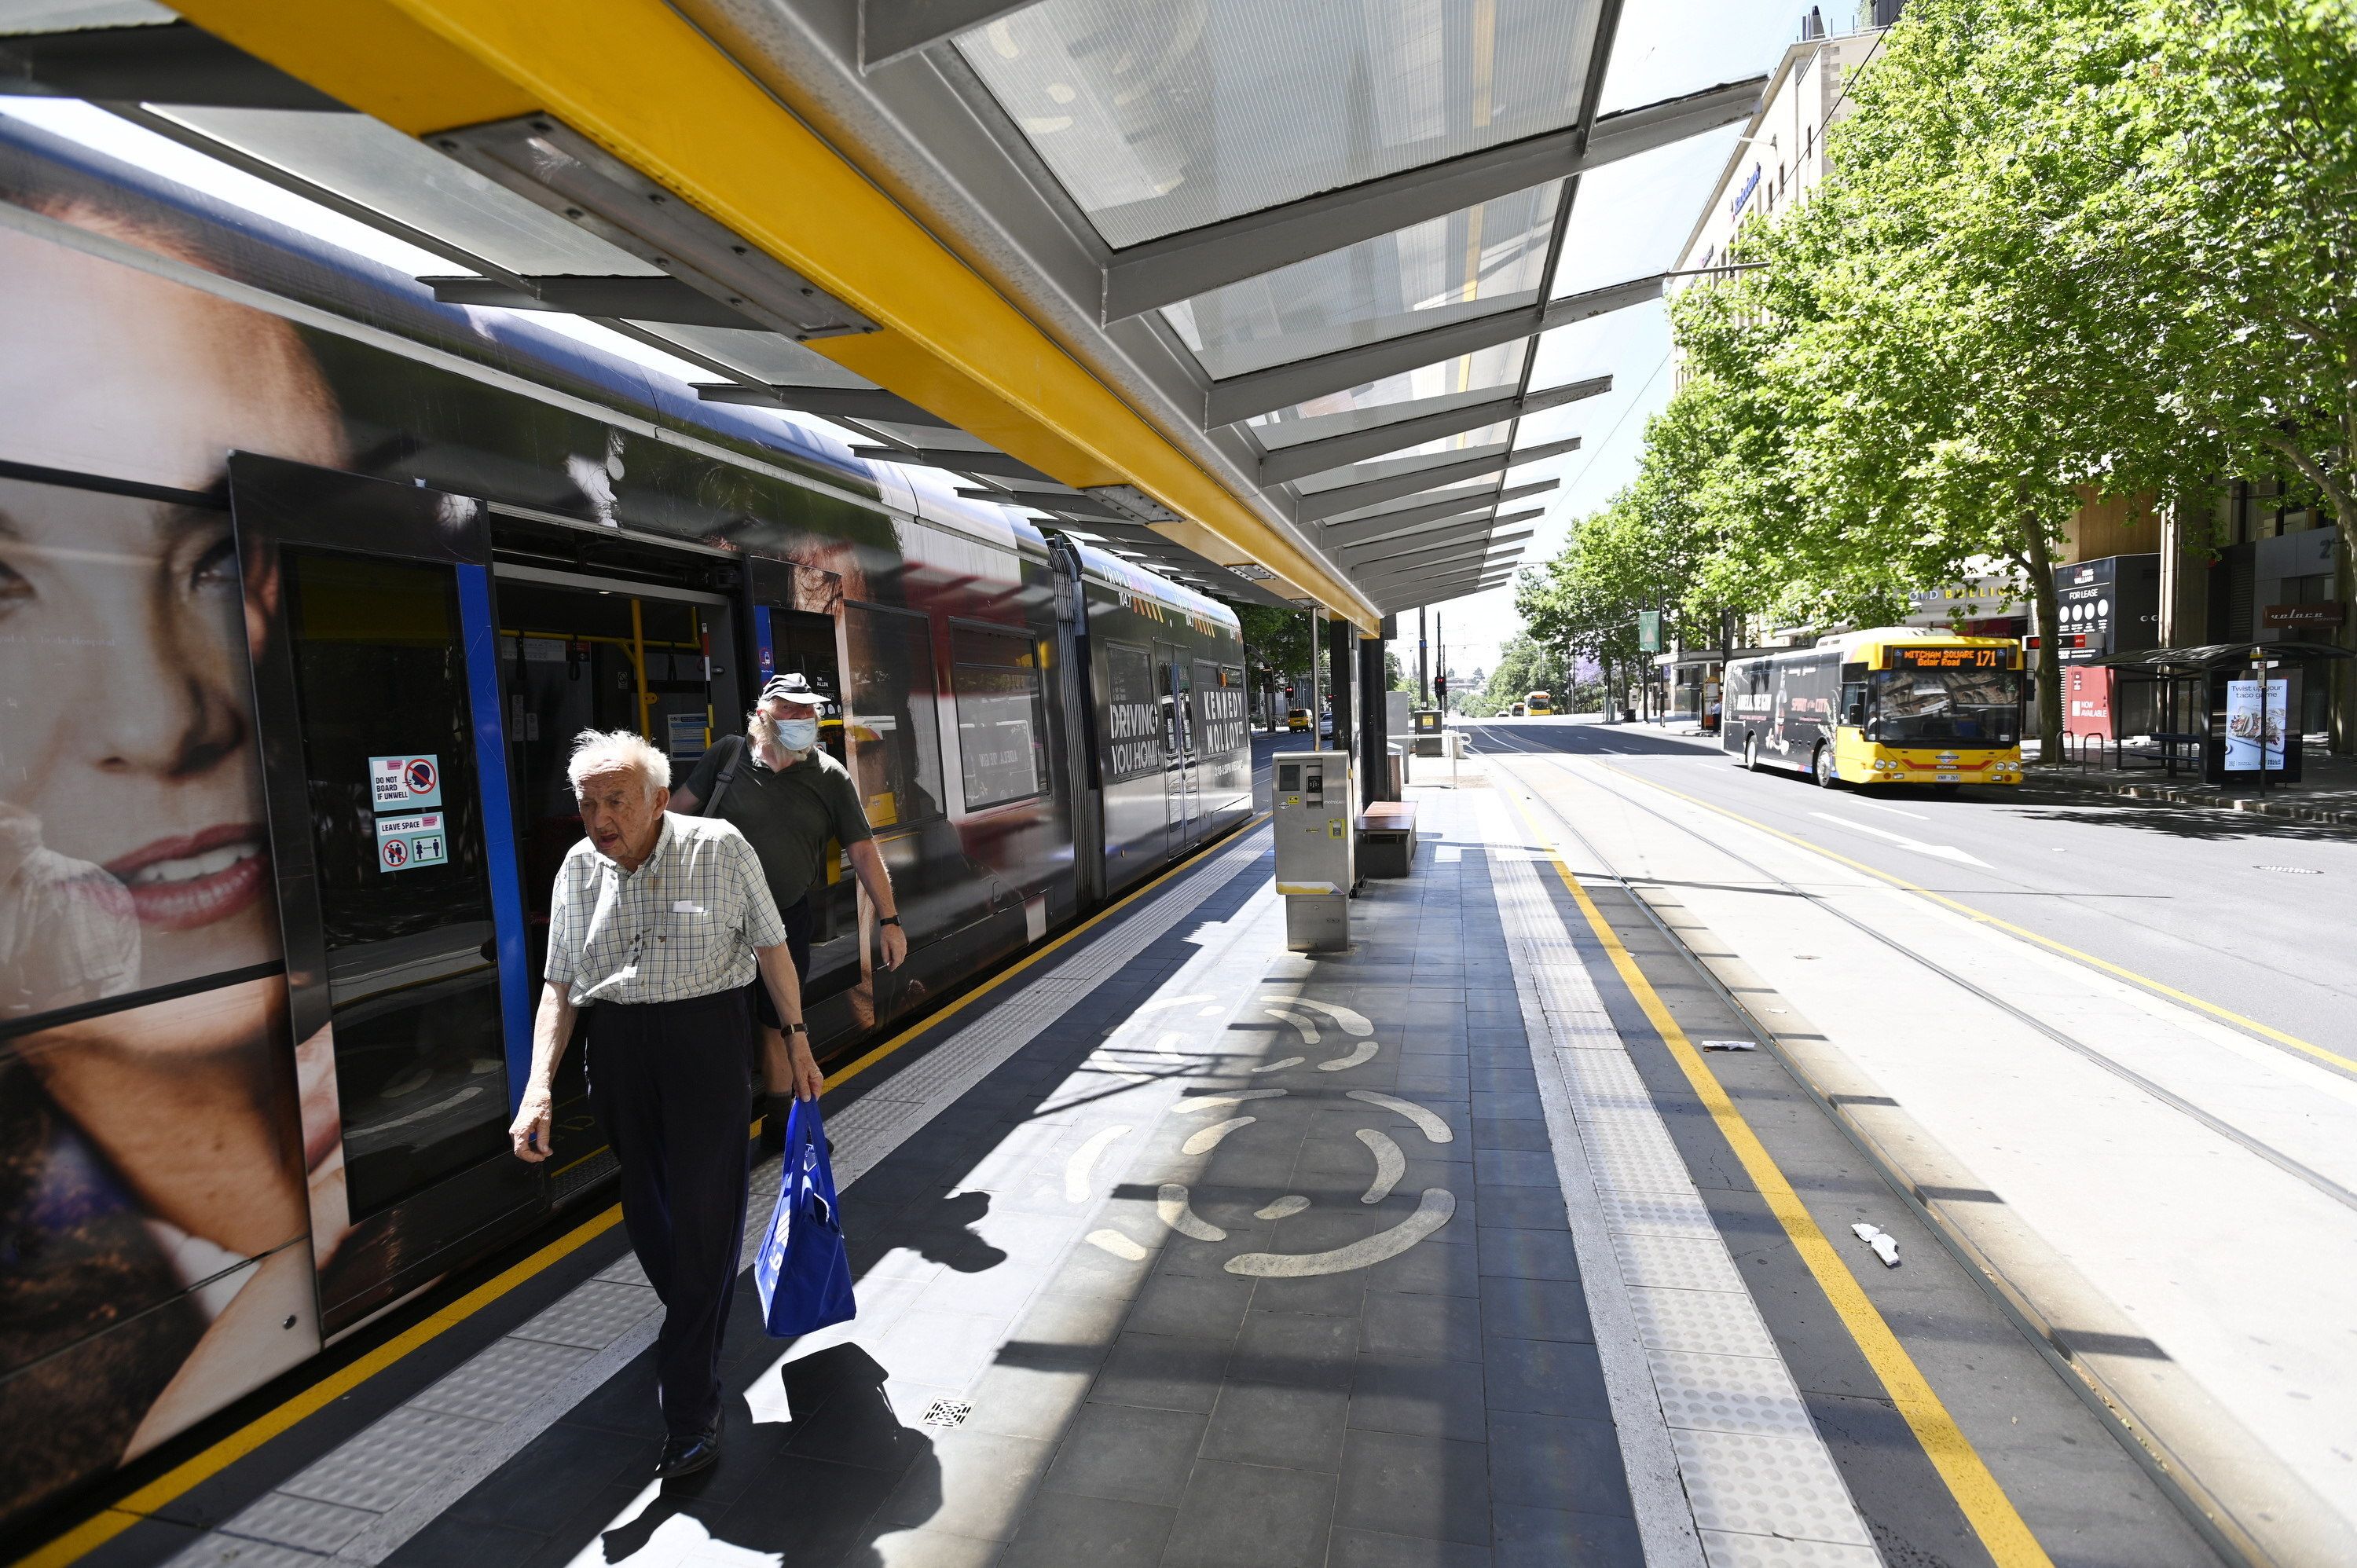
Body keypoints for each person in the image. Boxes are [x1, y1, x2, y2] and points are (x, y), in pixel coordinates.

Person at [507, 730, 823, 1481]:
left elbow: (772, 948)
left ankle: (690, 1411)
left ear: (656, 797)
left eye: (615, 801)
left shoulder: (718, 847)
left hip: (706, 1042)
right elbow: (559, 984)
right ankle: (700, 1313)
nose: (599, 817)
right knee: (650, 1213)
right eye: (587, 803)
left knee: (707, 1210)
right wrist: (538, 1085)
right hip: (616, 1050)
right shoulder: (579, 868)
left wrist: (800, 1043)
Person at [672, 672, 906, 1116]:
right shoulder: (728, 755)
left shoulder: (829, 775)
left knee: (782, 1022)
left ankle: (781, 1123)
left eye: (808, 709)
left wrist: (890, 920)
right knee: (721, 1023)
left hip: (784, 919)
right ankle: (720, 1120)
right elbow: (675, 813)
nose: (801, 716)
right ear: (763, 714)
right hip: (715, 922)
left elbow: (862, 850)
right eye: (789, 707)